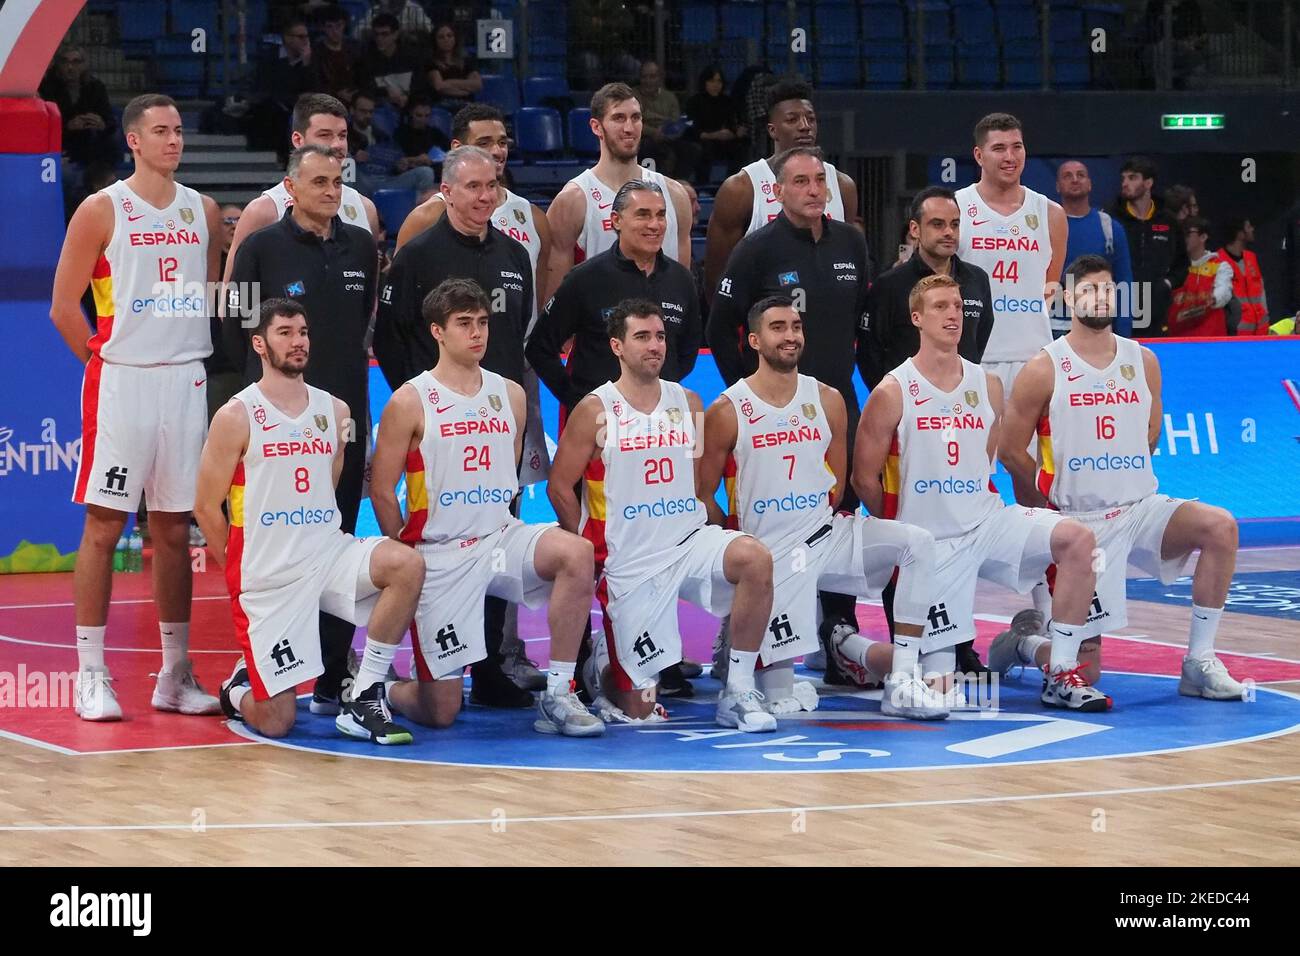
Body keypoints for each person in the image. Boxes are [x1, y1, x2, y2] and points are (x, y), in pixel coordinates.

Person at [996, 255, 1248, 705]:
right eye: (1089, 290)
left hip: (1139, 509)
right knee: (1086, 668)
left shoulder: (1143, 359)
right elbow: (1012, 450)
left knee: (1221, 527)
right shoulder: (1045, 367)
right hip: (1080, 522)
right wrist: (1050, 514)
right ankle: (1024, 644)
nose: (1100, 297)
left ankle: (1199, 661)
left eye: (1108, 290)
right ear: (1069, 298)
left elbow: (1149, 435)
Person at [49, 93, 224, 721]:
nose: (173, 140)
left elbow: (207, 298)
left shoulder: (203, 211)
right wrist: (107, 365)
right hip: (123, 382)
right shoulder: (102, 209)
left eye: (178, 130)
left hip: (186, 382)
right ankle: (90, 674)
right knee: (104, 526)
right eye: (160, 131)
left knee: (176, 528)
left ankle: (175, 673)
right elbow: (64, 307)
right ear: (134, 141)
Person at [370, 279, 604, 736]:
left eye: (482, 322)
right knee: (440, 711)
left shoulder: (510, 394)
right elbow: (382, 489)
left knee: (576, 553)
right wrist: (408, 556)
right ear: (438, 331)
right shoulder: (409, 400)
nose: (477, 333)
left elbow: (508, 473)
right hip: (440, 550)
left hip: (500, 537)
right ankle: (388, 689)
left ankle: (559, 692)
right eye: (464, 324)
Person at [855, 274, 1100, 710]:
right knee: (939, 694)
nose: (952, 314)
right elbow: (863, 479)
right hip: (932, 543)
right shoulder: (893, 391)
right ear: (917, 317)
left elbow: (986, 459)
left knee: (1076, 539)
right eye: (939, 307)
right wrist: (906, 532)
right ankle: (848, 646)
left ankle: (1060, 669)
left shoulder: (987, 384)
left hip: (987, 522)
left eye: (957, 306)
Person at [698, 296, 945, 717]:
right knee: (779, 700)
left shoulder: (828, 399)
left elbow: (836, 482)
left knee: (917, 543)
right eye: (778, 327)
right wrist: (741, 550)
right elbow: (703, 495)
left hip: (826, 536)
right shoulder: (727, 409)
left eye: (796, 326)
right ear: (755, 340)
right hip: (770, 554)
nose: (790, 335)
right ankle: (752, 644)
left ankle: (902, 680)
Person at [197, 298, 425, 743]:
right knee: (277, 721)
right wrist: (239, 569)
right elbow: (206, 506)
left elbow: (331, 483)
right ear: (260, 344)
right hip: (268, 574)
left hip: (325, 554)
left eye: (302, 332)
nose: (298, 341)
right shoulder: (236, 415)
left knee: (407, 565)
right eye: (285, 333)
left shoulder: (336, 412)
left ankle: (365, 693)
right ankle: (238, 688)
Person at [547, 300, 779, 731]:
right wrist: (589, 547)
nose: (654, 346)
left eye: (659, 337)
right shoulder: (596, 410)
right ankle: (604, 659)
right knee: (637, 713)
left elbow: (694, 484)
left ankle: (739, 690)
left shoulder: (688, 401)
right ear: (617, 345)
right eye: (642, 337)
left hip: (687, 544)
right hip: (630, 560)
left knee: (755, 558)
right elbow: (560, 486)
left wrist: (721, 527)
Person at [372, 145, 539, 707]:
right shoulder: (418, 255)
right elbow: (391, 336)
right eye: (472, 187)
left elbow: (518, 338)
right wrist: (424, 404)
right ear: (446, 191)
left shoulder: (516, 255)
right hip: (438, 432)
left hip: (497, 421)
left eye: (492, 185)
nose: (485, 196)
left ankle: (491, 667)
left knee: (497, 539)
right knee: (440, 548)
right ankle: (403, 669)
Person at [223, 145, 380, 716]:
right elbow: (238, 325)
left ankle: (335, 673)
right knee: (278, 549)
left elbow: (362, 325)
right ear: (291, 188)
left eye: (337, 181)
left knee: (333, 540)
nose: (331, 191)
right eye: (319, 181)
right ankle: (261, 664)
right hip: (274, 428)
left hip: (342, 420)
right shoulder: (262, 246)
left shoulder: (362, 245)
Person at [707, 147, 872, 670]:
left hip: (836, 403)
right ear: (778, 193)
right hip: (770, 413)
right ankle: (739, 632)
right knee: (764, 525)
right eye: (800, 181)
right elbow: (720, 324)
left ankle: (838, 631)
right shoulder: (758, 248)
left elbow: (862, 321)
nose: (814, 189)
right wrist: (756, 397)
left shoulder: (851, 242)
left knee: (838, 510)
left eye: (819, 180)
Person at [526, 180, 701, 414]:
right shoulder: (585, 278)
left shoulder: (682, 279)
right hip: (600, 424)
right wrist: (577, 400)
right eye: (643, 215)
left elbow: (687, 351)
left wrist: (662, 385)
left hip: (660, 418)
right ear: (616, 220)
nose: (654, 224)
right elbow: (540, 347)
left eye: (661, 215)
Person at [704, 79, 862, 300]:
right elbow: (717, 275)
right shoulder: (742, 187)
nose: (805, 126)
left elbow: (846, 258)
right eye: (792, 119)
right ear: (773, 130)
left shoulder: (842, 185)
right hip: (764, 319)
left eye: (811, 119)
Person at [543, 82, 693, 299]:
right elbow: (555, 300)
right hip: (601, 326)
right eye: (618, 118)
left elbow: (681, 289)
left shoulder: (675, 195)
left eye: (636, 118)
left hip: (661, 327)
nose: (629, 128)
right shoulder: (574, 199)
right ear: (596, 127)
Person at [955, 113, 1067, 399]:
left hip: (1034, 357)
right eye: (999, 148)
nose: (1010, 156)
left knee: (1030, 446)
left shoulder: (1051, 213)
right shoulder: (955, 207)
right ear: (979, 155)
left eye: (1017, 146)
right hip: (970, 356)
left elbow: (1048, 287)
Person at [224, 93, 378, 290]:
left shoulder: (365, 208)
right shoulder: (263, 210)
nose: (337, 145)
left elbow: (370, 292)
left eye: (342, 135)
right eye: (325, 135)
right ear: (298, 139)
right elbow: (234, 297)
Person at [861, 186, 994, 388]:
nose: (949, 232)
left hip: (964, 404)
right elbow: (869, 353)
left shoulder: (977, 280)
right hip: (907, 406)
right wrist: (894, 399)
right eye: (938, 224)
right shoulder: (889, 285)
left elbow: (978, 340)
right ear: (915, 229)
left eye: (955, 224)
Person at [1055, 159, 1134, 337]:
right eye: (1068, 176)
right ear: (1058, 186)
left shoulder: (1110, 228)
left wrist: (1123, 332)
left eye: (1080, 175)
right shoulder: (1045, 226)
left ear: (1090, 184)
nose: (1075, 179)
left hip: (1098, 324)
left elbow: (1124, 281)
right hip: (1053, 326)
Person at [1112, 156, 1188, 336]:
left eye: (1132, 178)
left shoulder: (1168, 220)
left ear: (1148, 183)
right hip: (1120, 306)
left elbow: (1182, 263)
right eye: (1123, 178)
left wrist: (1167, 284)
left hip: (1156, 309)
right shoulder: (1113, 217)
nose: (1125, 183)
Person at [348, 90, 437, 199]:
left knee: (426, 172)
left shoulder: (382, 135)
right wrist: (353, 157)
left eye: (371, 112)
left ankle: (416, 213)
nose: (367, 115)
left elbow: (394, 161)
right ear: (352, 110)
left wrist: (399, 166)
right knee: (347, 162)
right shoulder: (343, 134)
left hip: (387, 180)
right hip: (362, 180)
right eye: (363, 111)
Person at [39, 44, 117, 168]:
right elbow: (42, 124)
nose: (70, 67)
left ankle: (102, 179)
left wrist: (102, 124)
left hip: (89, 139)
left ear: (84, 65)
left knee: (111, 143)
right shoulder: (46, 87)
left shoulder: (96, 87)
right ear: (58, 65)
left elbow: (110, 120)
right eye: (65, 62)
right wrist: (68, 126)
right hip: (60, 140)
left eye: (76, 62)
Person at [1167, 216, 1231, 337]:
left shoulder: (1219, 265)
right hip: (1179, 339)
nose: (1183, 238)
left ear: (1203, 237)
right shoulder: (1174, 266)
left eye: (1188, 233)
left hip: (1211, 339)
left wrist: (1210, 299)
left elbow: (1224, 293)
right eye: (1182, 233)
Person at [684, 65, 748, 181]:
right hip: (704, 139)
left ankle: (732, 184)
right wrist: (712, 135)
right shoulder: (694, 102)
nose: (716, 85)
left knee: (742, 147)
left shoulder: (727, 102)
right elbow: (690, 129)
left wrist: (736, 131)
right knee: (703, 150)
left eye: (719, 81)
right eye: (712, 81)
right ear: (704, 82)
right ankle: (703, 186)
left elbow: (734, 123)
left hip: (725, 140)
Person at [635, 60, 695, 178]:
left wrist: (649, 116)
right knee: (650, 147)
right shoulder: (633, 95)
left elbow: (675, 123)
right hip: (644, 138)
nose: (648, 81)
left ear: (659, 78)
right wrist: (654, 131)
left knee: (692, 149)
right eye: (644, 77)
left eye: (652, 77)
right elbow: (635, 122)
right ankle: (650, 185)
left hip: (669, 137)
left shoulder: (670, 97)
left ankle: (679, 185)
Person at [357, 12, 426, 111]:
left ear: (396, 34)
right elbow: (365, 87)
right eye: (376, 34)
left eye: (385, 34)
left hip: (411, 106)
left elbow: (420, 86)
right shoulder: (367, 60)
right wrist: (385, 93)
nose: (379, 38)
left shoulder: (412, 58)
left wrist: (408, 98)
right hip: (379, 108)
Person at [1216, 217, 1270, 335]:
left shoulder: (1252, 257)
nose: (1252, 229)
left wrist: (1265, 316)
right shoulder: (1218, 261)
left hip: (1261, 331)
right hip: (1237, 335)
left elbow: (1261, 293)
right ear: (1240, 234)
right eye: (1248, 226)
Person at [314, 4, 364, 105]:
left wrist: (356, 93)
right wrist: (336, 94)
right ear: (323, 28)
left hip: (356, 98)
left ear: (344, 25)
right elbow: (316, 83)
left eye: (339, 25)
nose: (335, 31)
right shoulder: (316, 51)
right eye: (329, 27)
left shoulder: (355, 48)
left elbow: (364, 76)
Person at [426, 22, 482, 111]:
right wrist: (465, 90)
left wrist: (448, 82)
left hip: (467, 105)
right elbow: (439, 86)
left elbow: (477, 84)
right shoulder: (431, 62)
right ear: (435, 41)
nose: (446, 39)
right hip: (442, 105)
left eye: (449, 36)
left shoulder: (466, 61)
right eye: (441, 37)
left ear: (455, 38)